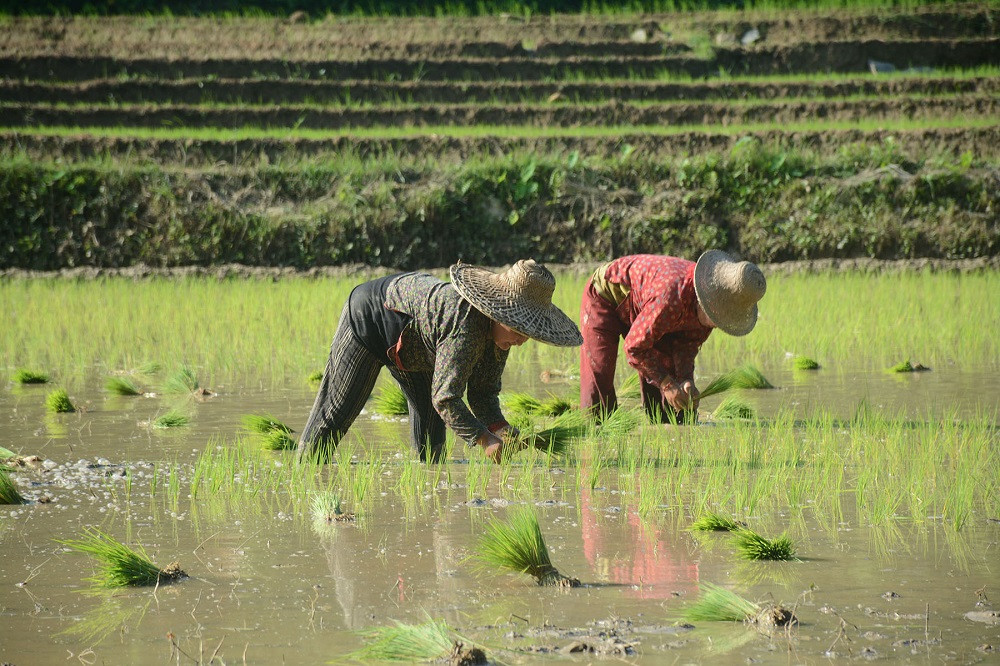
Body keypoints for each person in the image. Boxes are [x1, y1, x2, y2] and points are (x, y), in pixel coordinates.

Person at [297, 259, 582, 463]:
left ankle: (426, 500)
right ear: (498, 314)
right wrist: (484, 440)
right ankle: (304, 476)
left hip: (420, 346)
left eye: (528, 332)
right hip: (372, 317)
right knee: (334, 415)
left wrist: (500, 428)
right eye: (519, 330)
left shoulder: (500, 337)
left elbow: (482, 393)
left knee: (431, 442)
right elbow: (446, 398)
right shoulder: (465, 326)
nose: (522, 340)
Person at [579, 250, 766, 423]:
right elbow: (634, 347)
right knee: (600, 381)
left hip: (648, 309)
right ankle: (595, 435)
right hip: (606, 296)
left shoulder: (709, 311)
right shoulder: (669, 298)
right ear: (705, 301)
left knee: (676, 410)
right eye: (718, 318)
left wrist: (685, 380)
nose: (717, 325)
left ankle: (663, 434)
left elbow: (687, 345)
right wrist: (667, 384)